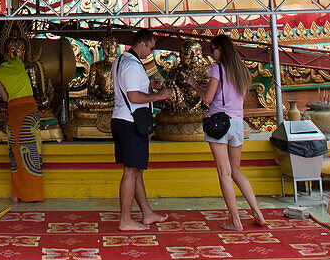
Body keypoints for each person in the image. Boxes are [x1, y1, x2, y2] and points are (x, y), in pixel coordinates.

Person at [187, 33, 267, 232]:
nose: (211, 54)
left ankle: (236, 220)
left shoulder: (217, 68)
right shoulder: (241, 71)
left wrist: (193, 84)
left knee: (224, 173)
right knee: (236, 171)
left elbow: (207, 98)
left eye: (212, 50)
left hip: (219, 124)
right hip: (238, 124)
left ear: (220, 49)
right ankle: (257, 212)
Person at [111, 27, 172, 232]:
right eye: (151, 48)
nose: (151, 53)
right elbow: (134, 97)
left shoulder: (121, 61)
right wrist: (159, 96)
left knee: (136, 170)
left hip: (121, 118)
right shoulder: (132, 65)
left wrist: (149, 85)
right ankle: (125, 219)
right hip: (130, 121)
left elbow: (133, 89)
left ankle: (146, 213)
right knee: (130, 171)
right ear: (142, 44)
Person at [0, 46, 44, 203]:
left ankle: (16, 195)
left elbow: (5, 98)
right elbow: (15, 56)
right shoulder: (17, 62)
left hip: (15, 110)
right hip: (30, 109)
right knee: (34, 150)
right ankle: (35, 193)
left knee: (15, 152)